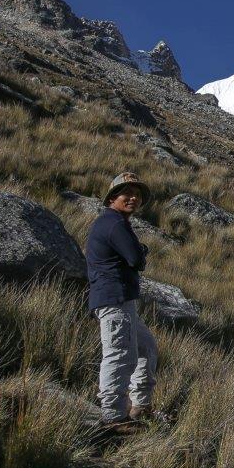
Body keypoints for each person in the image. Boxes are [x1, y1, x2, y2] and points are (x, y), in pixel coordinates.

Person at [85, 172, 158, 431]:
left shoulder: (114, 223)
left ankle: (141, 406)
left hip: (120, 299)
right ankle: (114, 416)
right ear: (113, 197)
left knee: (145, 347)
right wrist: (140, 252)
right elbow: (136, 260)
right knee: (119, 354)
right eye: (127, 193)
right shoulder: (114, 224)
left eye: (137, 194)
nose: (133, 198)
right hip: (114, 299)